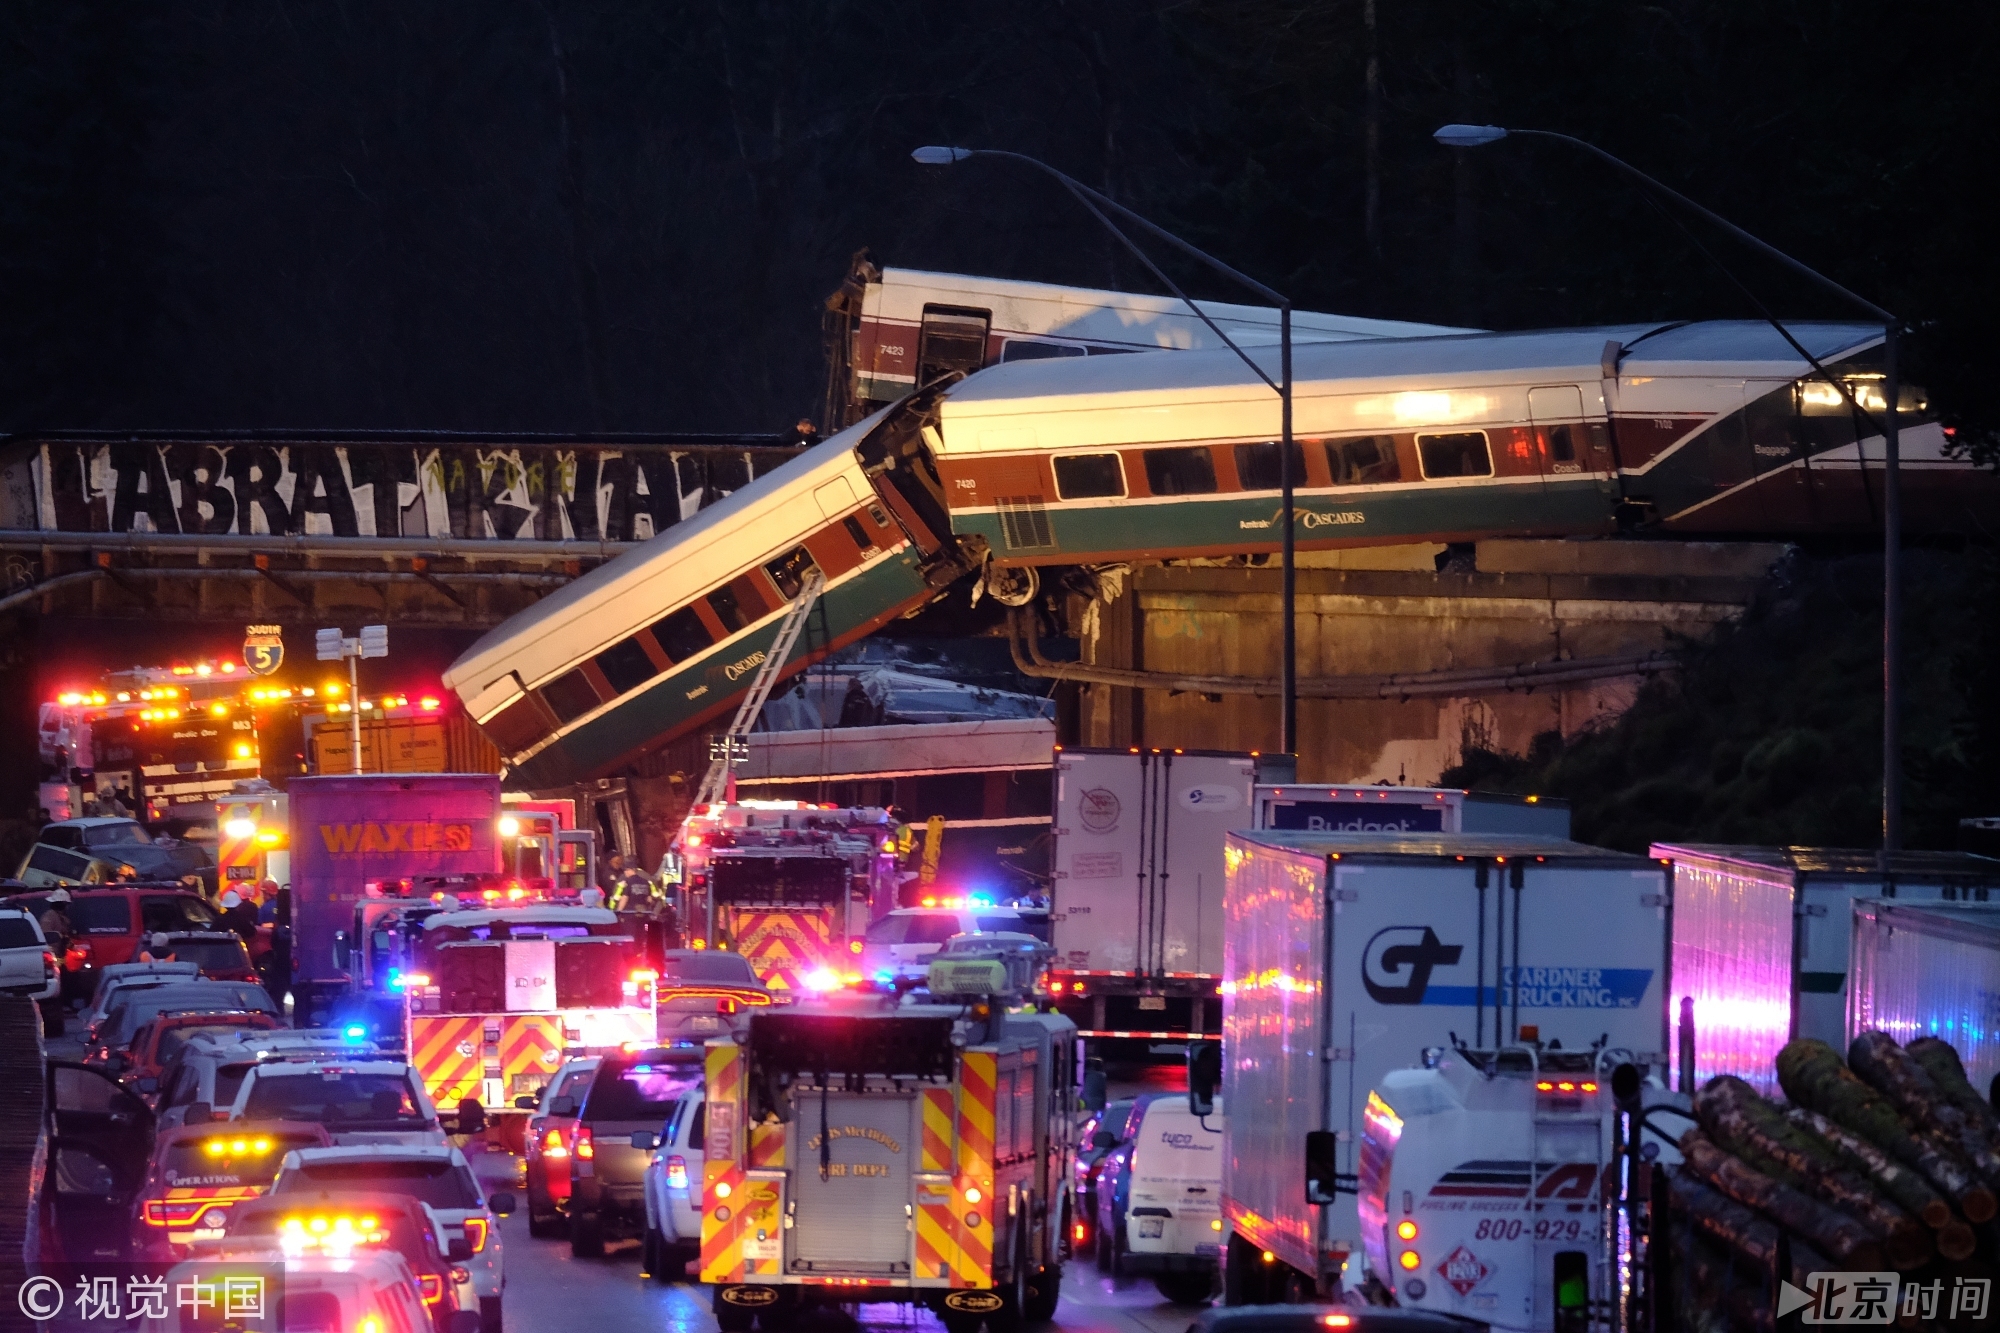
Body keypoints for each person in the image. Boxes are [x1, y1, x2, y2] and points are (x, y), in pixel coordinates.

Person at [38, 889, 72, 954]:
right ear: (63, 904)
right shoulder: (49, 916)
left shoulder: (62, 917)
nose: (68, 907)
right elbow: (46, 934)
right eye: (67, 904)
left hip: (61, 953)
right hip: (52, 953)